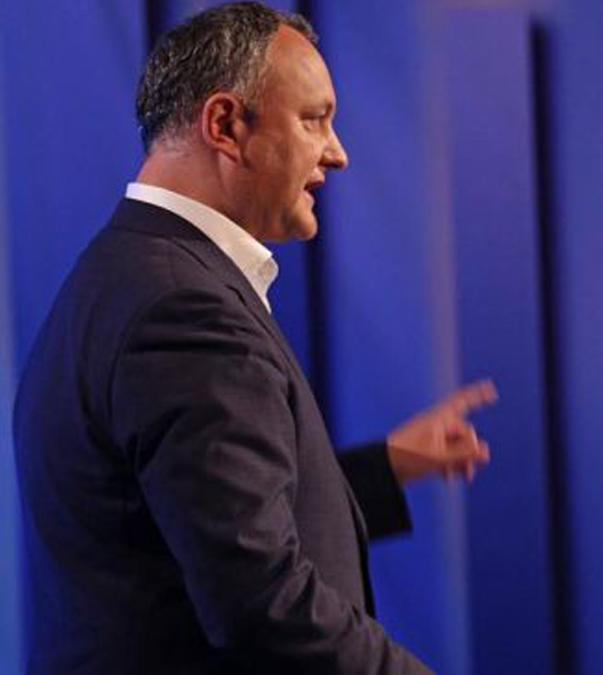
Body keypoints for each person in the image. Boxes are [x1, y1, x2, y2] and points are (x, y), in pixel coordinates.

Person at [13, 3, 494, 673]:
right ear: (225, 125)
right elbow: (259, 596)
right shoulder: (182, 309)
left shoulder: (130, 271)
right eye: (315, 119)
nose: (338, 153)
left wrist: (384, 469)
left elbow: (197, 522)